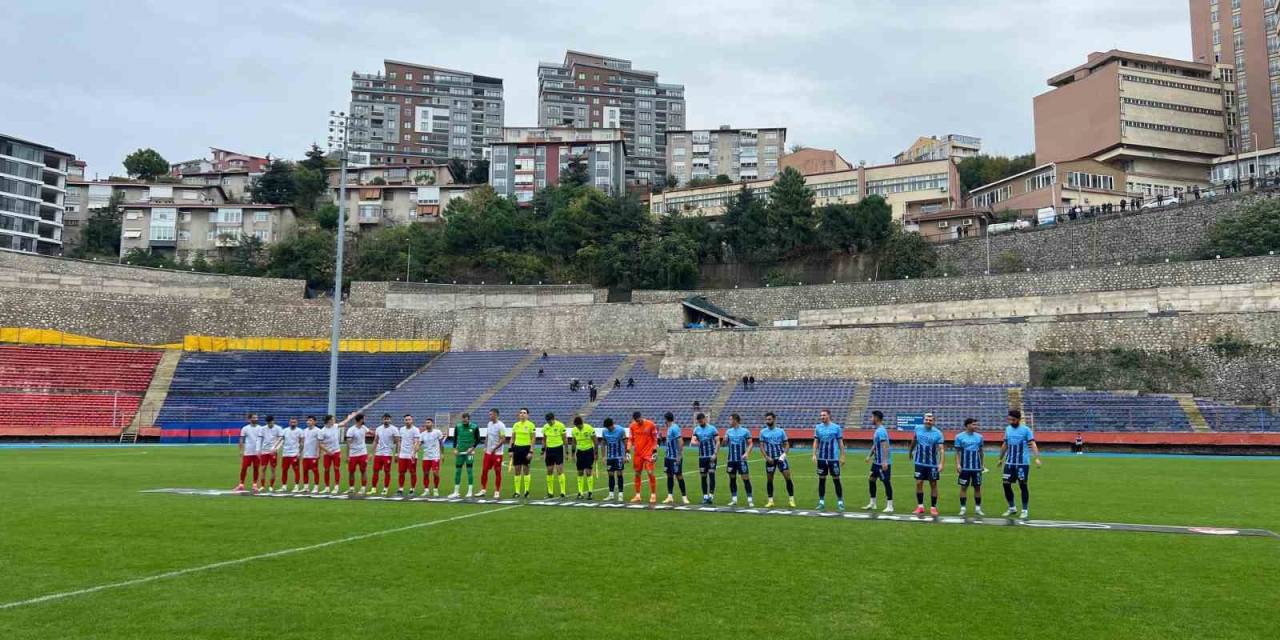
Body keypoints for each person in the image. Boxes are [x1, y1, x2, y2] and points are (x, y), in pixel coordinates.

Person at [1000, 410, 1042, 519]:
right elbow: (1005, 444)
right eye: (1009, 419)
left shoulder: (1026, 430)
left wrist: (1037, 458)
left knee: (1023, 485)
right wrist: (1000, 458)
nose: (1011, 421)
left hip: (1022, 464)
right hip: (1009, 462)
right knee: (1006, 484)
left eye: (1013, 420)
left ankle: (1024, 510)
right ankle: (1012, 508)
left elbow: (1032, 444)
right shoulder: (1008, 429)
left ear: (1018, 419)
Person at [910, 412, 945, 516]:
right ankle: (920, 507)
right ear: (923, 420)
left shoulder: (938, 433)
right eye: (926, 419)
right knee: (919, 483)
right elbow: (914, 440)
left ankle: (933, 508)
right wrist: (910, 451)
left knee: (933, 484)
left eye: (930, 420)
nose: (928, 421)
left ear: (934, 422)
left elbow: (941, 450)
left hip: (932, 464)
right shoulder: (917, 428)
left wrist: (941, 463)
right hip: (919, 462)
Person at [758, 412, 795, 508]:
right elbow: (761, 446)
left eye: (769, 419)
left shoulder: (781, 431)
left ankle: (791, 500)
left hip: (780, 458)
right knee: (769, 479)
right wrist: (766, 457)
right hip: (770, 459)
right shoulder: (762, 432)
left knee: (787, 477)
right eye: (766, 419)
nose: (767, 421)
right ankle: (770, 501)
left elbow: (787, 444)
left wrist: (783, 455)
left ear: (774, 419)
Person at [811, 409, 845, 512]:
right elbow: (816, 441)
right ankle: (821, 502)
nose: (822, 417)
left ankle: (840, 502)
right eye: (821, 415)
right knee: (821, 480)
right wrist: (814, 454)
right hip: (821, 458)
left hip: (833, 459)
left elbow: (840, 443)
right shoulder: (818, 427)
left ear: (829, 415)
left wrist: (842, 456)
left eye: (824, 415)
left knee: (836, 480)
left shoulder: (836, 428)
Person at [863, 410, 894, 513]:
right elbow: (875, 445)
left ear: (876, 418)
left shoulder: (881, 431)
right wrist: (869, 456)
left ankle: (890, 506)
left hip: (882, 463)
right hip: (876, 462)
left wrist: (884, 461)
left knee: (886, 482)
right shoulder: (878, 430)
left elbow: (885, 446)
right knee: (871, 479)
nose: (871, 419)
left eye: (872, 417)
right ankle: (873, 503)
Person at [954, 418, 985, 517]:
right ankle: (963, 508)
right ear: (967, 425)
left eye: (976, 424)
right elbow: (957, 452)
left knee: (977, 487)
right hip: (964, 467)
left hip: (976, 467)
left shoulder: (979, 437)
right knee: (963, 487)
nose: (976, 426)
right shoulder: (959, 437)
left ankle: (978, 508)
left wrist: (982, 464)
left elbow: (981, 452)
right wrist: (958, 464)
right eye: (973, 424)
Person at [723, 413, 755, 507]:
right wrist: (724, 440)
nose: (729, 421)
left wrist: (747, 453)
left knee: (745, 479)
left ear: (735, 420)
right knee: (732, 479)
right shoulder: (728, 431)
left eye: (730, 419)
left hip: (741, 460)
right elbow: (724, 444)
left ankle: (750, 500)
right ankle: (734, 499)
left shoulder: (745, 431)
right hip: (731, 460)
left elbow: (750, 443)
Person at [628, 411, 659, 504]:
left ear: (642, 417)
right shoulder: (632, 426)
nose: (639, 422)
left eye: (639, 420)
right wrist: (627, 450)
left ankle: (653, 495)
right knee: (637, 473)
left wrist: (654, 450)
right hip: (638, 453)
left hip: (648, 453)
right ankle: (637, 495)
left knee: (650, 472)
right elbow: (630, 439)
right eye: (637, 421)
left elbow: (655, 439)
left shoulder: (651, 424)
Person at [449, 413, 481, 498]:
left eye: (465, 419)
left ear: (468, 419)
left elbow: (478, 439)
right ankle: (456, 492)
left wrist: (472, 448)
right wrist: (455, 449)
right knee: (457, 471)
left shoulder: (474, 427)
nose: (464, 420)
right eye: (463, 419)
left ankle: (470, 491)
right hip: (460, 452)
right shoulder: (458, 426)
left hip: (469, 453)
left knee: (469, 470)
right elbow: (455, 438)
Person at [691, 413, 720, 504]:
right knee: (703, 476)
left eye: (701, 421)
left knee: (711, 475)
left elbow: (718, 441)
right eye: (699, 421)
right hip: (702, 457)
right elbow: (693, 441)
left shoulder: (712, 429)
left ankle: (711, 496)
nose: (700, 422)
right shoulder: (696, 429)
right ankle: (705, 496)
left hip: (711, 456)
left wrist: (715, 454)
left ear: (705, 419)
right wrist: (697, 442)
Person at [661, 412, 689, 504]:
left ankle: (684, 497)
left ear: (666, 419)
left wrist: (679, 455)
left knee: (679, 475)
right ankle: (670, 496)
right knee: (669, 475)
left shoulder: (675, 428)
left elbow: (681, 442)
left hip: (674, 457)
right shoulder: (669, 428)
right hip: (668, 457)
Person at [509, 408, 537, 499]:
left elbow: (533, 439)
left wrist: (531, 451)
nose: (522, 414)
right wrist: (510, 450)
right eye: (520, 413)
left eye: (524, 413)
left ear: (527, 415)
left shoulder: (531, 425)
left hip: (526, 449)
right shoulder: (516, 425)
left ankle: (526, 491)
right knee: (517, 470)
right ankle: (517, 492)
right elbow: (512, 438)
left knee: (526, 469)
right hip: (517, 448)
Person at [541, 412, 568, 499]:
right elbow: (544, 439)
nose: (549, 422)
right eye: (547, 421)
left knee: (560, 470)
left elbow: (565, 439)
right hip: (549, 450)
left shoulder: (560, 425)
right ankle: (550, 492)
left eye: (550, 421)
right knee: (549, 470)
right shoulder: (545, 427)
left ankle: (563, 492)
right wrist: (543, 451)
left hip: (558, 449)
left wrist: (566, 452)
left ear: (553, 419)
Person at [480, 409, 506, 498]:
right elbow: (487, 436)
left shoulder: (501, 426)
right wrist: (485, 446)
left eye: (491, 414)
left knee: (497, 471)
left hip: (497, 453)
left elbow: (503, 439)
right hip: (488, 452)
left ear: (496, 415)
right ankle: (483, 490)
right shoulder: (489, 424)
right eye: (489, 414)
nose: (489, 416)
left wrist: (495, 448)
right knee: (484, 470)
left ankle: (497, 491)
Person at [570, 416, 598, 499]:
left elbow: (595, 441)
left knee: (588, 472)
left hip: (589, 452)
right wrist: (573, 454)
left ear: (581, 423)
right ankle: (580, 492)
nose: (578, 427)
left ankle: (590, 492)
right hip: (580, 452)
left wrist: (596, 453)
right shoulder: (574, 430)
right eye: (576, 426)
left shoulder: (589, 428)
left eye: (579, 426)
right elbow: (574, 442)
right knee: (580, 472)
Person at [600, 418, 628, 501]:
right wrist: (603, 456)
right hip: (610, 457)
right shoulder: (604, 431)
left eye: (609, 427)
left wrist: (625, 455)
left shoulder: (621, 430)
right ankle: (611, 494)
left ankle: (620, 494)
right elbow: (603, 444)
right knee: (610, 475)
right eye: (607, 427)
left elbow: (625, 443)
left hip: (619, 457)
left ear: (612, 425)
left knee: (619, 474)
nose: (608, 429)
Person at [343, 413, 370, 495]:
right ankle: (351, 488)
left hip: (363, 453)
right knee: (351, 472)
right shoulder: (351, 430)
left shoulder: (364, 428)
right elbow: (348, 444)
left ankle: (363, 488)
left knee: (363, 471)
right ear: (361, 420)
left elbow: (371, 432)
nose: (365, 420)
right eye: (364, 419)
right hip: (353, 454)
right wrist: (348, 456)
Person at [419, 418, 446, 497]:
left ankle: (435, 489)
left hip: (435, 456)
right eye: (426, 423)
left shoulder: (437, 432)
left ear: (432, 424)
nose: (427, 424)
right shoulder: (422, 434)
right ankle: (426, 490)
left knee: (435, 473)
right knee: (426, 473)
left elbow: (441, 443)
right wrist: (414, 451)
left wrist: (442, 454)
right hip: (426, 457)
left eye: (428, 422)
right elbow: (419, 444)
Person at [395, 414, 421, 497]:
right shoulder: (401, 429)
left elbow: (417, 442)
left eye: (409, 419)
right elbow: (399, 441)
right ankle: (400, 489)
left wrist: (414, 452)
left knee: (412, 472)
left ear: (412, 420)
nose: (407, 421)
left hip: (411, 455)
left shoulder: (416, 430)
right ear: (404, 421)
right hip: (403, 454)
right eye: (406, 420)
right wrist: (397, 453)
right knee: (401, 472)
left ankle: (412, 489)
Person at [371, 414, 397, 496]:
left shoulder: (394, 429)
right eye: (385, 419)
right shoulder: (378, 428)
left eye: (388, 419)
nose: (386, 420)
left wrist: (396, 453)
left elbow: (397, 441)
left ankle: (385, 488)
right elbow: (375, 440)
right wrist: (372, 452)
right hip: (378, 453)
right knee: (375, 470)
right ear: (382, 419)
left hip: (387, 453)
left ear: (390, 420)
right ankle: (373, 488)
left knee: (387, 471)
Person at [235, 413, 261, 492]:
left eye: (256, 417)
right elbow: (241, 440)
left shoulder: (260, 428)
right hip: (248, 452)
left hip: (257, 452)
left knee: (256, 468)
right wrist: (241, 450)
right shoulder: (245, 428)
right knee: (244, 468)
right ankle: (241, 485)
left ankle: (255, 485)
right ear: (250, 419)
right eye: (254, 418)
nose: (256, 419)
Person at [318, 415, 343, 494]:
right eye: (332, 419)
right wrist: (327, 451)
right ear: (329, 421)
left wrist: (351, 416)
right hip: (327, 453)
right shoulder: (322, 431)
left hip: (336, 452)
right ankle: (327, 487)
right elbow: (320, 444)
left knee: (336, 468)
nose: (334, 420)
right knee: (326, 470)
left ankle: (336, 487)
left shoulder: (335, 426)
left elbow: (344, 423)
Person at [257, 415, 282, 492]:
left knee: (273, 469)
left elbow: (281, 440)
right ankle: (262, 486)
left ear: (273, 421)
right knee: (263, 468)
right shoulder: (262, 429)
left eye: (271, 422)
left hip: (273, 452)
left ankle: (271, 486)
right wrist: (258, 450)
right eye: (268, 423)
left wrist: (276, 449)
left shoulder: (278, 428)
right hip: (264, 451)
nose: (270, 424)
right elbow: (259, 440)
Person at [280, 418, 304, 492]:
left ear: (297, 423)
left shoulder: (300, 431)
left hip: (294, 453)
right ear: (289, 423)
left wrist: (299, 453)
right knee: (284, 470)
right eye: (292, 422)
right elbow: (281, 441)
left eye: (294, 422)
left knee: (296, 470)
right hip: (285, 454)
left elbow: (302, 443)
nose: (293, 423)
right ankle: (284, 486)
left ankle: (296, 486)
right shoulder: (284, 430)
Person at [301, 416, 322, 493]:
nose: (308, 422)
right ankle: (306, 487)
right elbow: (303, 442)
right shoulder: (304, 430)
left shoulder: (318, 431)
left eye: (310, 420)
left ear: (314, 422)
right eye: (308, 420)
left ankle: (316, 487)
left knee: (315, 471)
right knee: (305, 471)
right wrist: (301, 452)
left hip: (313, 455)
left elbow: (319, 443)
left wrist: (318, 453)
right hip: (305, 455)